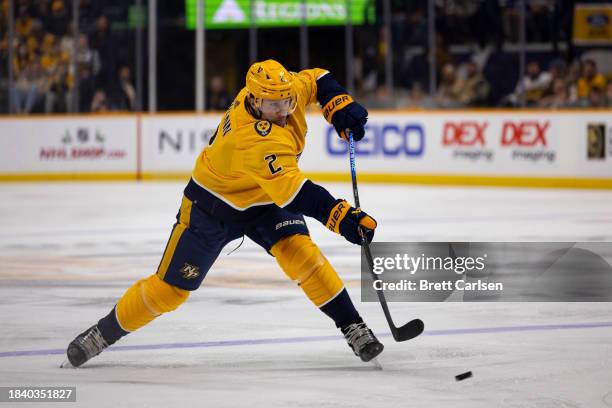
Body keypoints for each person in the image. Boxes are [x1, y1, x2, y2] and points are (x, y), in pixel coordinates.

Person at [64, 59, 383, 367]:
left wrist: (338, 102)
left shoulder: (281, 94)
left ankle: (352, 326)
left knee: (301, 254)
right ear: (255, 102)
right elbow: (297, 193)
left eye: (286, 102)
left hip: (263, 199)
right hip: (212, 206)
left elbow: (317, 78)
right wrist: (341, 217)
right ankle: (102, 334)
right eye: (274, 105)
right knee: (170, 292)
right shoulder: (253, 136)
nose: (283, 111)